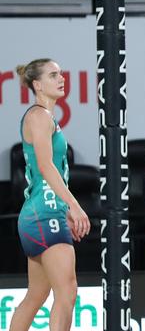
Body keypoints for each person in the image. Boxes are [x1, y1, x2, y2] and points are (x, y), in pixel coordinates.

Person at [9, 59, 91, 331]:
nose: (62, 78)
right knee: (67, 293)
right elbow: (45, 167)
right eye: (53, 75)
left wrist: (64, 210)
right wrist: (75, 206)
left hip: (43, 212)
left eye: (61, 73)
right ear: (37, 84)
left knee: (36, 296)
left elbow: (48, 173)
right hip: (42, 214)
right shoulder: (38, 116)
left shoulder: (45, 117)